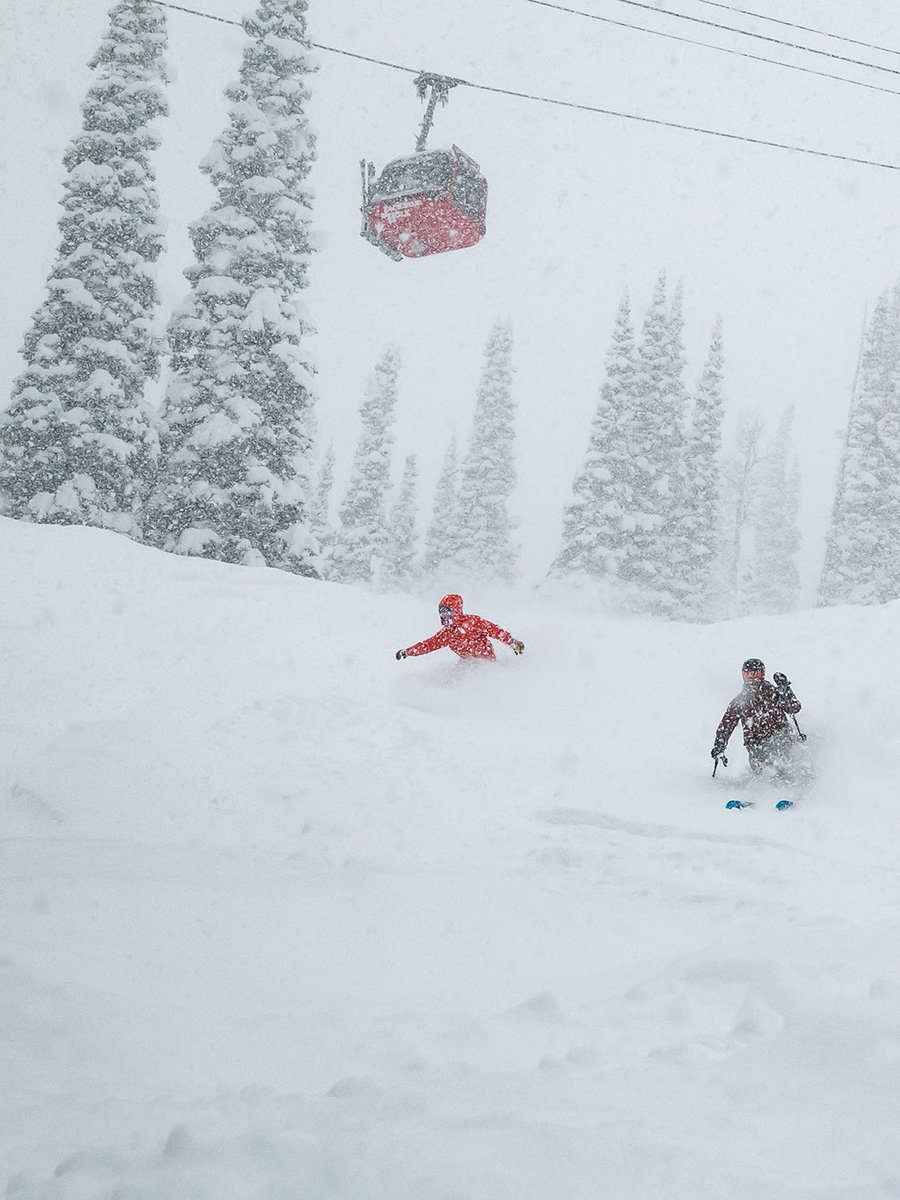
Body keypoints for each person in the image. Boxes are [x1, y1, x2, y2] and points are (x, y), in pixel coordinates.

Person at [711, 658, 802, 778]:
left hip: (781, 736)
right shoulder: (739, 702)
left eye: (755, 674)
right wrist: (719, 744)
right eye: (747, 674)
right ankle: (763, 790)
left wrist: (786, 690)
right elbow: (727, 724)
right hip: (756, 744)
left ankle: (794, 784)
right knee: (763, 769)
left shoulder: (773, 693)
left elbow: (794, 708)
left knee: (785, 761)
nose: (751, 677)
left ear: (762, 674)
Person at [395, 593, 524, 662]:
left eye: (448, 612)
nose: (445, 616)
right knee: (455, 678)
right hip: (468, 663)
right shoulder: (446, 634)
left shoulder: (473, 622)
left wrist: (512, 642)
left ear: (456, 611)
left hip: (486, 663)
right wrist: (408, 651)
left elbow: (495, 631)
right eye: (442, 613)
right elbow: (428, 645)